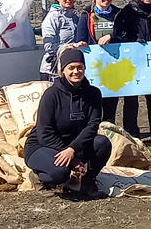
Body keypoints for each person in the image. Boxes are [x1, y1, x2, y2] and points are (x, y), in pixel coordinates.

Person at [24, 46, 112, 199]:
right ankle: (39, 178)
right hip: (43, 146)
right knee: (60, 172)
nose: (76, 71)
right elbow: (44, 134)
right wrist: (72, 159)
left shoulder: (94, 93)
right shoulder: (51, 95)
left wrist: (72, 150)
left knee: (102, 143)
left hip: (72, 145)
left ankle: (88, 181)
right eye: (71, 68)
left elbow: (92, 127)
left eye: (80, 67)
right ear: (63, 70)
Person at [113, 0, 151, 143]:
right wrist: (134, 41)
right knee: (131, 99)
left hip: (150, 61)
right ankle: (132, 134)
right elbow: (119, 33)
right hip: (132, 60)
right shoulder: (128, 11)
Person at [83, 0, 123, 122]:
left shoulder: (119, 14)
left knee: (111, 108)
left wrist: (111, 36)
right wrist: (81, 43)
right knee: (93, 107)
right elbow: (80, 38)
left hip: (114, 67)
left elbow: (125, 36)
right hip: (94, 68)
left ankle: (109, 137)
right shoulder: (86, 15)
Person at [39, 0, 89, 80]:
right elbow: (49, 46)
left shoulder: (76, 18)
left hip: (70, 69)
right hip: (52, 71)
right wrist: (73, 46)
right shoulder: (52, 18)